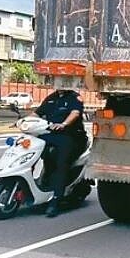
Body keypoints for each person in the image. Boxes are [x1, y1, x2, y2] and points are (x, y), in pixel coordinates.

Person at [35, 88, 88, 217]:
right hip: (52, 134)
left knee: (61, 162)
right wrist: (24, 121)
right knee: (33, 150)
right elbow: (37, 114)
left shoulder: (74, 97)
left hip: (71, 136)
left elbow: (75, 113)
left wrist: (63, 124)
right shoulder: (52, 97)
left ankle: (56, 199)